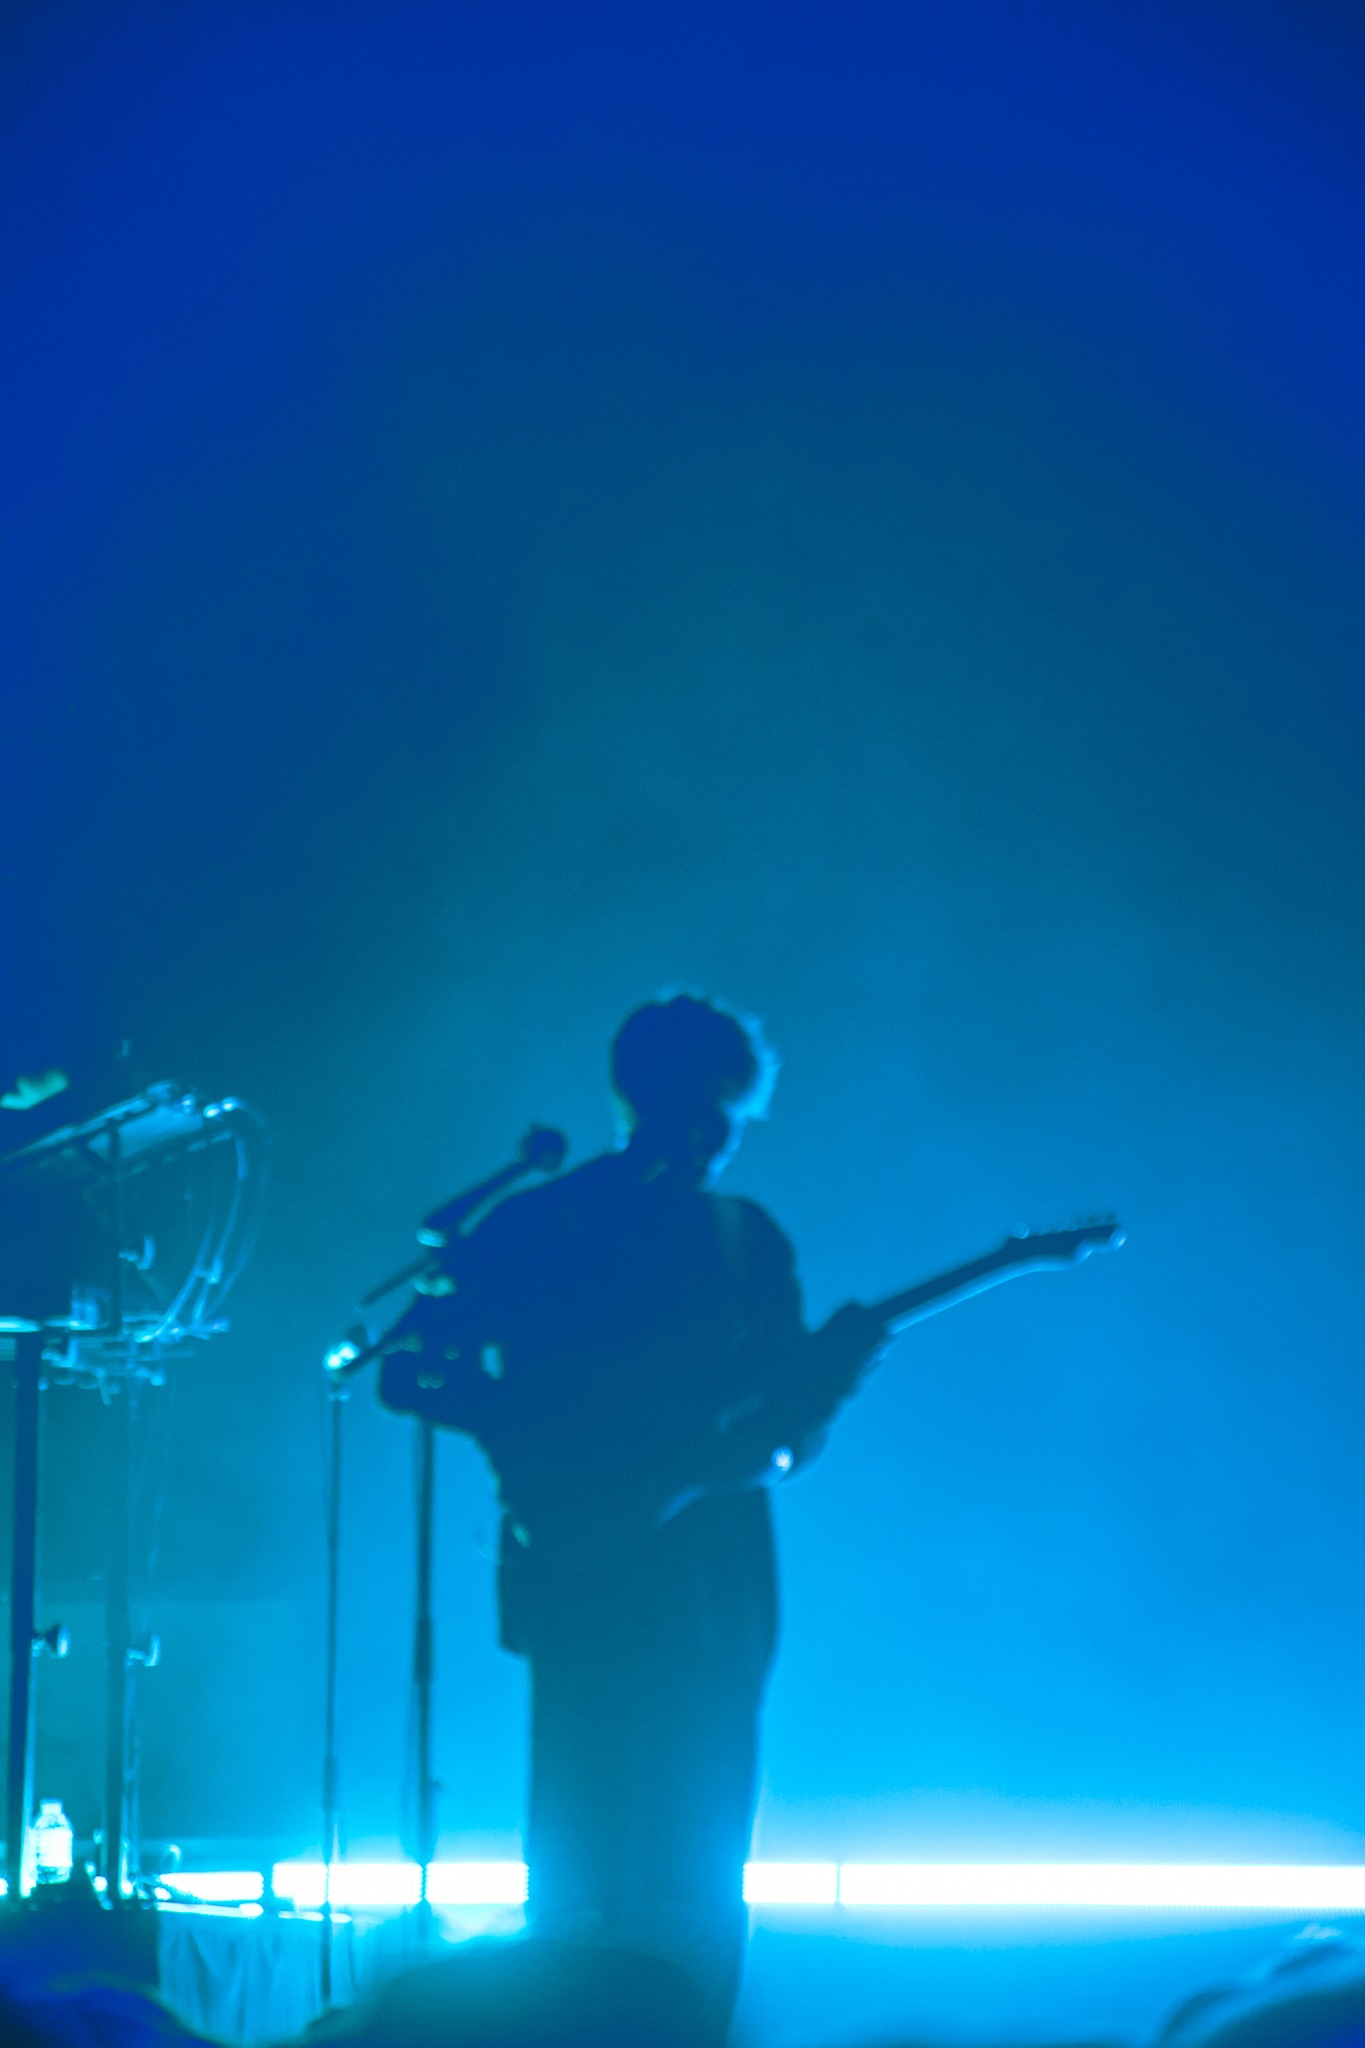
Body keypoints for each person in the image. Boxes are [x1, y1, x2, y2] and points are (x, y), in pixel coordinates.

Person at [378, 995, 888, 2036]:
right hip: (681, 1590)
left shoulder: (561, 1226)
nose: (715, 1137)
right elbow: (417, 1369)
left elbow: (417, 1371)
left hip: (621, 1579)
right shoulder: (680, 1234)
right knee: (674, 1852)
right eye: (713, 1111)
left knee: (599, 1838)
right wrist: (815, 1390)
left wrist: (534, 1447)